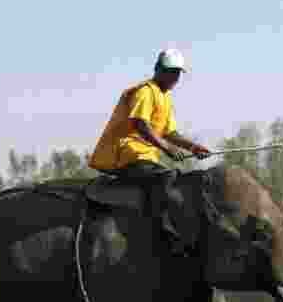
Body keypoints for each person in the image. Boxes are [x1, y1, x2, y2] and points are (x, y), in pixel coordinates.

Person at [88, 49, 212, 254]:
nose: (175, 78)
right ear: (158, 70)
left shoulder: (165, 97)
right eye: (171, 72)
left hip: (145, 156)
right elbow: (140, 124)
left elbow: (170, 132)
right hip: (128, 153)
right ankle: (164, 231)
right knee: (167, 178)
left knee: (173, 179)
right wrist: (167, 148)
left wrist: (193, 147)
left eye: (178, 73)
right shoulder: (145, 91)